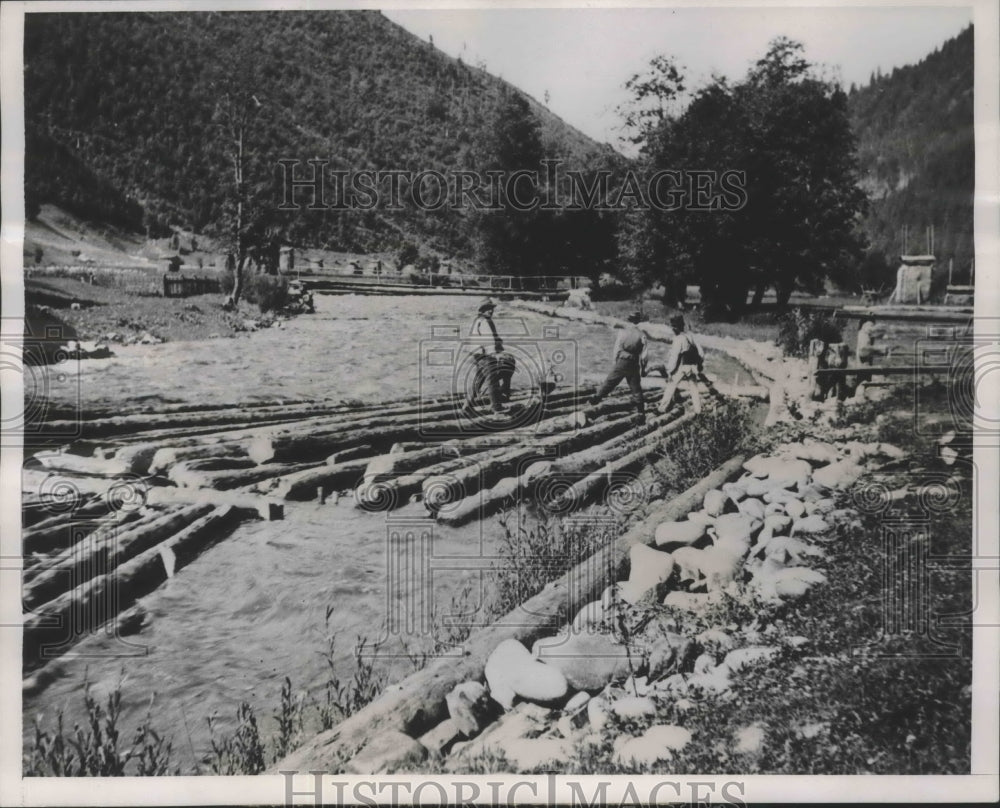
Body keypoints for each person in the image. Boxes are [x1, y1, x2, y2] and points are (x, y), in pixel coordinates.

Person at [590, 310, 648, 423]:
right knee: (636, 388)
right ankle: (641, 412)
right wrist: (643, 368)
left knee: (609, 382)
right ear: (638, 321)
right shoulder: (642, 335)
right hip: (634, 363)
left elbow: (617, 348)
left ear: (629, 320)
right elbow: (645, 355)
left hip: (622, 360)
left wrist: (615, 361)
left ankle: (594, 401)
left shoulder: (623, 332)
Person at [464, 299, 509, 414]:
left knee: (478, 380)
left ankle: (467, 404)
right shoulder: (485, 322)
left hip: (476, 354)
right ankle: (497, 407)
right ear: (483, 310)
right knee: (492, 380)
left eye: (492, 309)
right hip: (485, 354)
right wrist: (495, 354)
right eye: (488, 309)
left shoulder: (477, 321)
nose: (491, 311)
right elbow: (489, 339)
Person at [656, 315, 704, 414]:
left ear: (675, 328)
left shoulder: (678, 339)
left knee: (671, 384)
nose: (672, 329)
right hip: (693, 366)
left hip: (683, 366)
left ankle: (662, 408)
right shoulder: (690, 336)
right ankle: (698, 410)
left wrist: (669, 371)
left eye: (673, 327)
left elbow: (674, 357)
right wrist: (699, 364)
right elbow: (701, 353)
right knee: (694, 388)